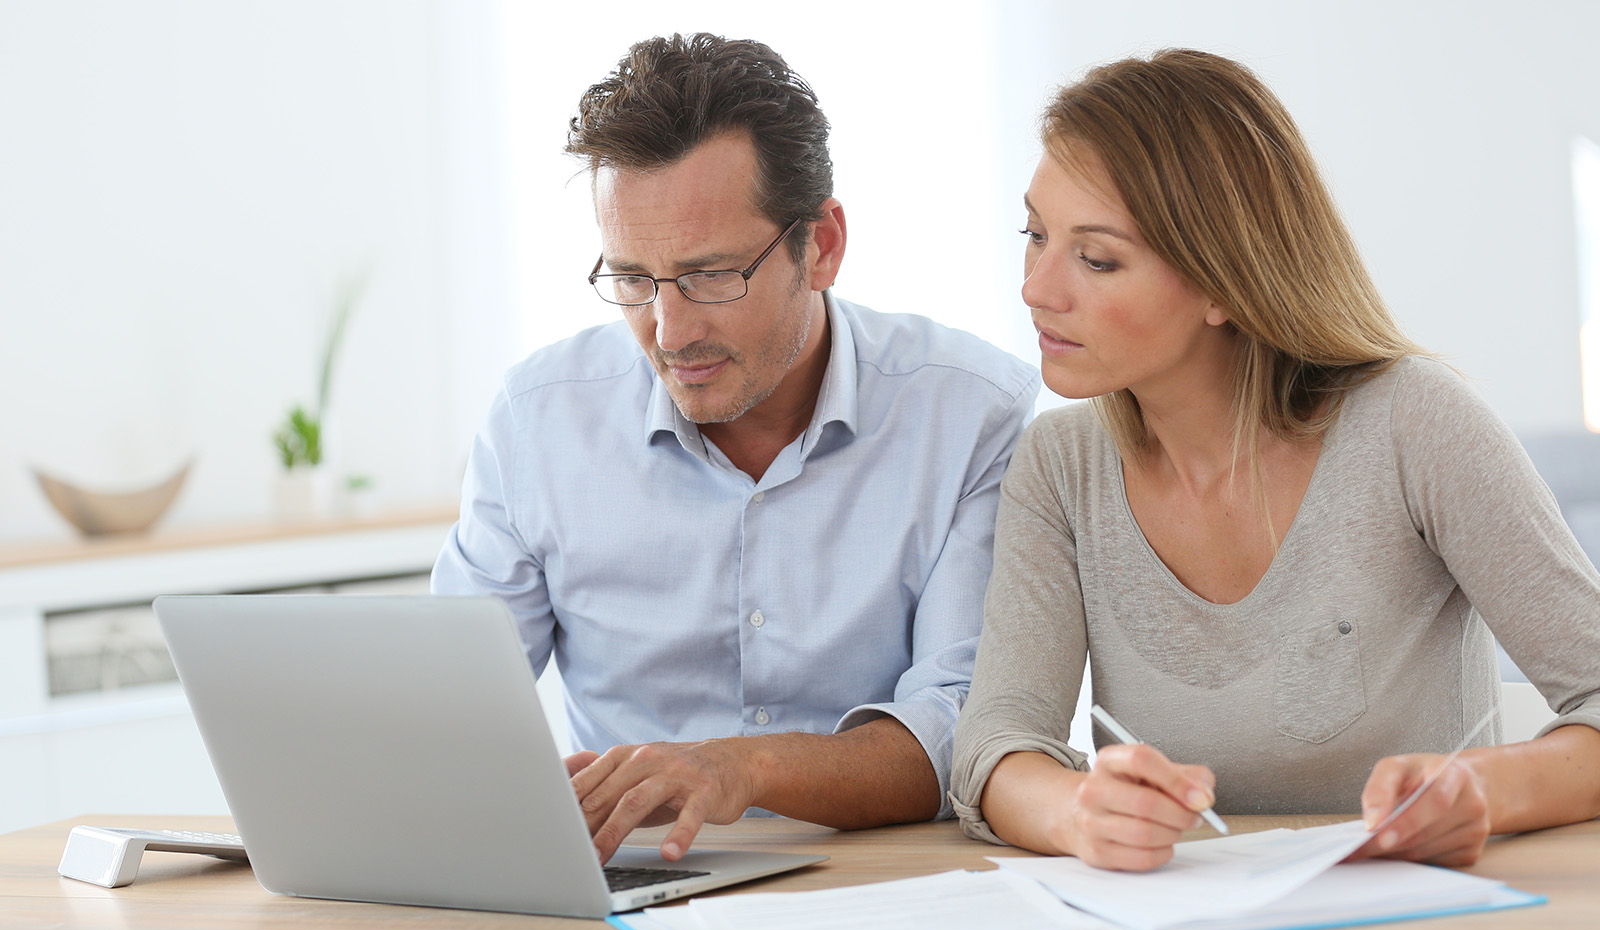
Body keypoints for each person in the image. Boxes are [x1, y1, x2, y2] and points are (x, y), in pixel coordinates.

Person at [949, 49, 1600, 871]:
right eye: (1035, 235)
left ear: (1225, 282)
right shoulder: (1060, 466)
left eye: (1097, 257)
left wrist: (1483, 788)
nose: (1036, 288)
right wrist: (1078, 812)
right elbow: (997, 747)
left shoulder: (1415, 423)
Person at [433, 33, 1038, 864]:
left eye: (712, 275)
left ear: (820, 246)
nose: (670, 331)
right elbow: (446, 709)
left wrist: (742, 767)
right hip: (629, 890)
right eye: (634, 280)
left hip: (882, 884)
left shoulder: (973, 413)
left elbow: (963, 733)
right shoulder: (537, 421)